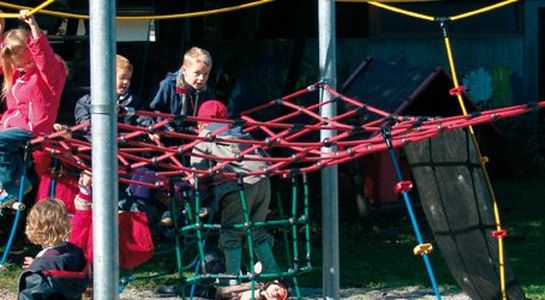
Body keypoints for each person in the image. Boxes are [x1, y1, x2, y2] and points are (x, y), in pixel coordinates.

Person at [190, 100, 281, 281]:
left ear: (200, 123)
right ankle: (272, 273)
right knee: (256, 229)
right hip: (263, 180)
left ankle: (232, 277)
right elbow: (265, 156)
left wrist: (196, 184)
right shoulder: (242, 133)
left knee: (231, 230)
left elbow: (198, 171)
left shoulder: (206, 136)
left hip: (238, 185)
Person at [0, 10, 67, 207]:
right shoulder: (19, 76)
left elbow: (44, 58)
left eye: (25, 62)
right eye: (16, 64)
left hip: (32, 128)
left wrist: (33, 26)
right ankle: (5, 186)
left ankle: (15, 185)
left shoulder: (48, 77)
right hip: (12, 127)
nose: (20, 68)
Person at [18, 199, 88, 299]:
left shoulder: (38, 272)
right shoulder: (76, 253)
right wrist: (37, 264)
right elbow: (61, 275)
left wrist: (37, 268)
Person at [74, 54, 149, 127]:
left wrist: (149, 127)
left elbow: (143, 118)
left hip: (126, 139)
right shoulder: (86, 103)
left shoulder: (134, 102)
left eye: (128, 79)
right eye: (122, 78)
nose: (126, 82)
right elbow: (84, 125)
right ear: (107, 77)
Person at [150, 46, 215, 121]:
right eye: (197, 73)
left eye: (206, 74)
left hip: (194, 132)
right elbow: (153, 111)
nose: (201, 78)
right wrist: (163, 128)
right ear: (184, 70)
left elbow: (211, 116)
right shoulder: (169, 85)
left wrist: (206, 129)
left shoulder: (207, 91)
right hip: (168, 131)